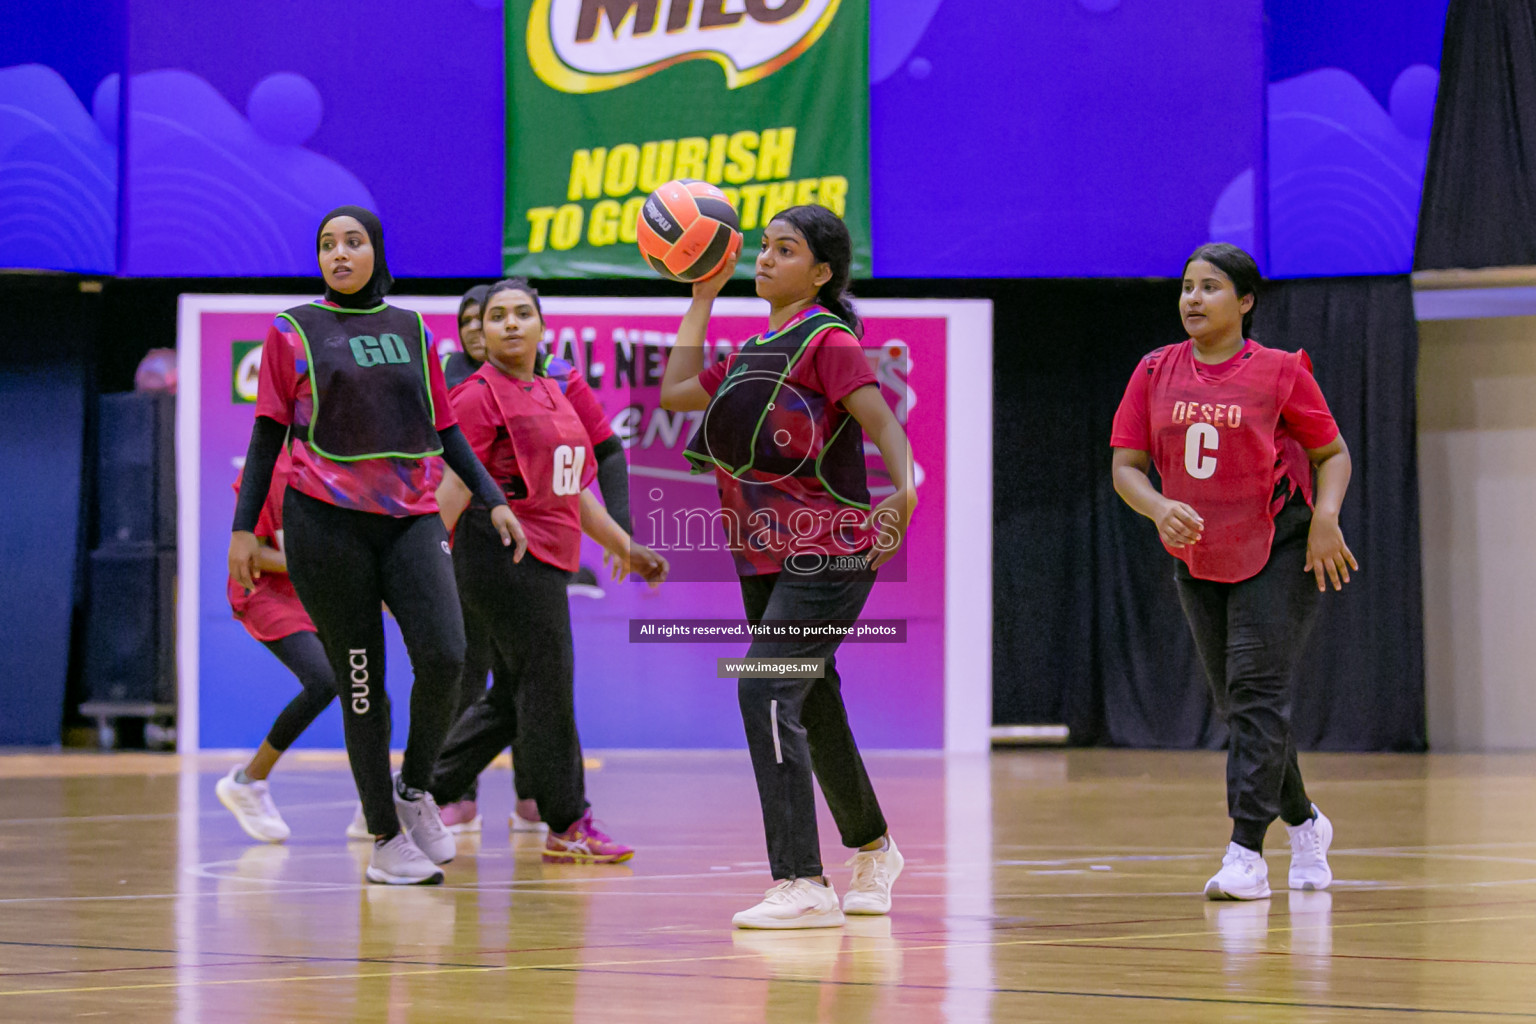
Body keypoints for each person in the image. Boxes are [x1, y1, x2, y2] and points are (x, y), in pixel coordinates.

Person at [229, 206, 518, 886]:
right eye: (327, 244)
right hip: (323, 525)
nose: (338, 254)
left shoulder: (412, 328)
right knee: (363, 684)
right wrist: (245, 527)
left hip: (409, 517)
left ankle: (414, 788)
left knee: (448, 656)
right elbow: (268, 434)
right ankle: (385, 838)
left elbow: (447, 430)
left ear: (376, 251)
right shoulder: (292, 331)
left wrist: (494, 499)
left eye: (352, 242)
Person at [659, 205, 915, 929]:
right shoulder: (749, 349)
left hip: (829, 551)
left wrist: (904, 494)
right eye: (764, 248)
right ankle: (873, 847)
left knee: (763, 689)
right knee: (812, 697)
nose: (764, 259)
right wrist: (700, 300)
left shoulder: (828, 340)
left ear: (822, 272)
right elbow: (676, 395)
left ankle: (803, 880)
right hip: (763, 554)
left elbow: (884, 426)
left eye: (785, 250)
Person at [1109, 242, 1355, 901]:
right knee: (1238, 705)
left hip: (1280, 545)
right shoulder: (1155, 370)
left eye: (1209, 287)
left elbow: (1332, 454)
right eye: (1187, 286)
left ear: (1244, 302)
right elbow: (1126, 467)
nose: (1192, 298)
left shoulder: (1279, 372)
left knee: (1255, 696)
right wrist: (1160, 508)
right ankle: (1305, 822)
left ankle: (1246, 852)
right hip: (1199, 553)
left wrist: (1327, 516)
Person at [429, 277, 666, 864]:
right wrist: (426, 568)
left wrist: (624, 544)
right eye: (497, 316)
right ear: (480, 333)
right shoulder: (477, 396)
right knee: (548, 689)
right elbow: (452, 489)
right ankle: (568, 822)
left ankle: (421, 789)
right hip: (500, 553)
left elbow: (573, 492)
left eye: (522, 314)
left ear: (541, 327)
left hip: (546, 556)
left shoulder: (553, 391)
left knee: (516, 695)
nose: (510, 323)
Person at [215, 449, 338, 844]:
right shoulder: (269, 467)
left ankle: (375, 809)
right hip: (266, 591)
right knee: (324, 681)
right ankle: (248, 780)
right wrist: (314, 561)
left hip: (315, 589)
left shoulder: (339, 465)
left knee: (369, 692)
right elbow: (252, 554)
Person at [443, 285, 489, 390]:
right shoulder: (448, 367)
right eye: (465, 321)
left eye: (481, 318)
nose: (472, 328)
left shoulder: (526, 370)